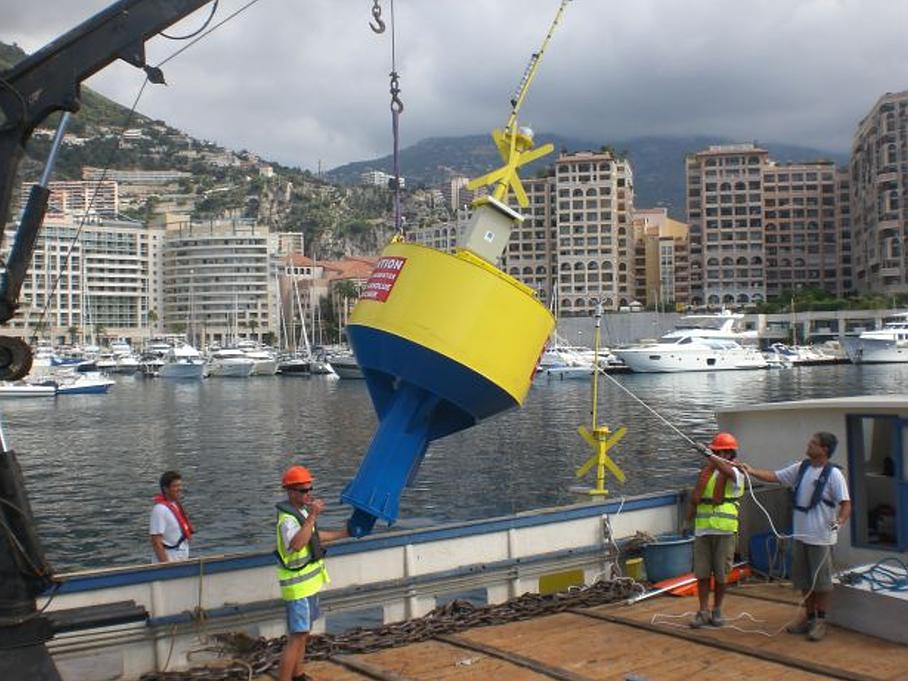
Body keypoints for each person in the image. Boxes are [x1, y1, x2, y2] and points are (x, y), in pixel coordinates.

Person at [739, 431, 852, 642]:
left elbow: (846, 503)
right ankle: (809, 617)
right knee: (803, 580)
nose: (809, 444)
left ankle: (820, 621)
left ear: (824, 449)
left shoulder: (834, 475)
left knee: (822, 582)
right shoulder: (802, 468)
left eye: (813, 443)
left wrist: (840, 521)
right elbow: (775, 476)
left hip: (820, 538)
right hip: (800, 536)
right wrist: (750, 470)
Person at [275, 465, 349, 681]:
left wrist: (344, 533)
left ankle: (298, 675)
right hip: (297, 587)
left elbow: (314, 537)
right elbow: (297, 543)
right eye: (303, 490)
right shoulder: (288, 520)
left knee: (304, 633)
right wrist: (313, 515)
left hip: (308, 585)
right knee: (296, 637)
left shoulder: (303, 513)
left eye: (310, 489)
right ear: (291, 492)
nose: (308, 494)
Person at [687, 432, 744, 628]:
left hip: (725, 531)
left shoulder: (737, 472)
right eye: (715, 452)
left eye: (720, 452)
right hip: (703, 530)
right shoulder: (707, 472)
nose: (717, 455)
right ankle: (703, 611)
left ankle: (717, 609)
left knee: (721, 574)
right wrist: (687, 520)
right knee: (702, 573)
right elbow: (696, 497)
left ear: (729, 453)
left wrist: (707, 454)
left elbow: (727, 471)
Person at [149, 470, 194, 563]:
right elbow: (156, 541)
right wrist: (166, 565)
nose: (180, 488)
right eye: (175, 486)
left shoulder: (176, 505)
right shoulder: (160, 509)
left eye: (180, 485)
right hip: (170, 559)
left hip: (181, 557)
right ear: (166, 489)